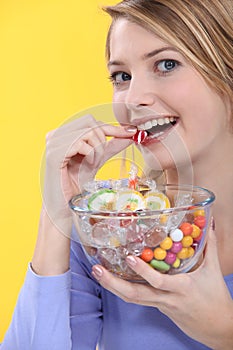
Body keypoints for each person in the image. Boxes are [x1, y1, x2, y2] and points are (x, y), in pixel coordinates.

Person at [1, 0, 233, 349]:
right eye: (121, 76)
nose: (133, 98)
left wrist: (224, 331)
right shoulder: (108, 236)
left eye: (166, 64)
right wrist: (57, 215)